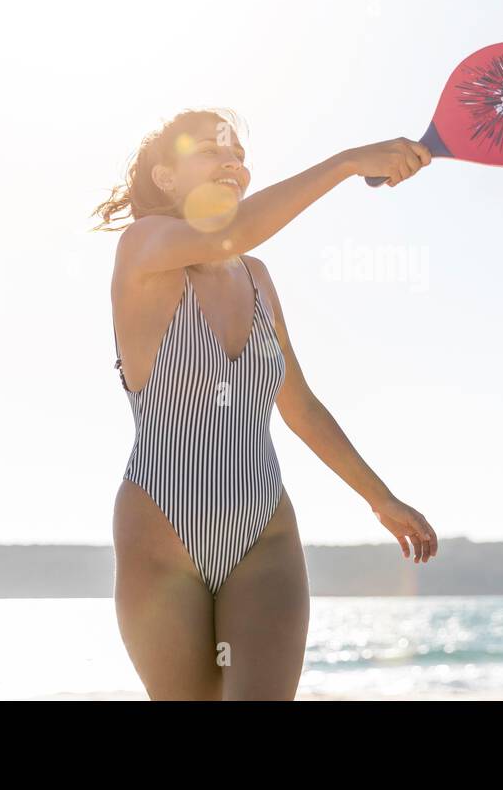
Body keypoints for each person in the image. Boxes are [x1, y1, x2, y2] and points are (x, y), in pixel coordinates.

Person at [90, 107, 439, 700]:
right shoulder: (141, 248)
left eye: (238, 154)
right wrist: (348, 162)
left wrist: (381, 497)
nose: (232, 161)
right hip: (161, 528)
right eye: (209, 150)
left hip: (264, 532)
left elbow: (298, 403)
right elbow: (229, 231)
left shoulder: (257, 277)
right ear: (168, 180)